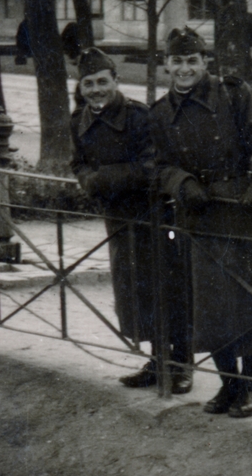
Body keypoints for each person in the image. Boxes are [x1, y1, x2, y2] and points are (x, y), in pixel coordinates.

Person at [150, 27, 252, 418]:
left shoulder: (234, 94)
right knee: (211, 308)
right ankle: (228, 384)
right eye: (176, 61)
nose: (184, 69)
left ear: (204, 62)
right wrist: (181, 182)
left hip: (245, 213)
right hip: (202, 218)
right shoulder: (161, 113)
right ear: (166, 65)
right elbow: (158, 165)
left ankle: (249, 388)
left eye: (192, 60)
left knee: (251, 307)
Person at [71, 48, 191, 392]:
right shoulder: (78, 120)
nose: (96, 90)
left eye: (102, 82)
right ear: (80, 87)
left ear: (115, 81)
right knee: (136, 292)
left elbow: (152, 165)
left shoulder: (140, 116)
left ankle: (182, 366)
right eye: (89, 84)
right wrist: (85, 179)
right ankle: (157, 362)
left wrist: (104, 178)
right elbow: (77, 162)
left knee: (168, 288)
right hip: (118, 218)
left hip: (154, 215)